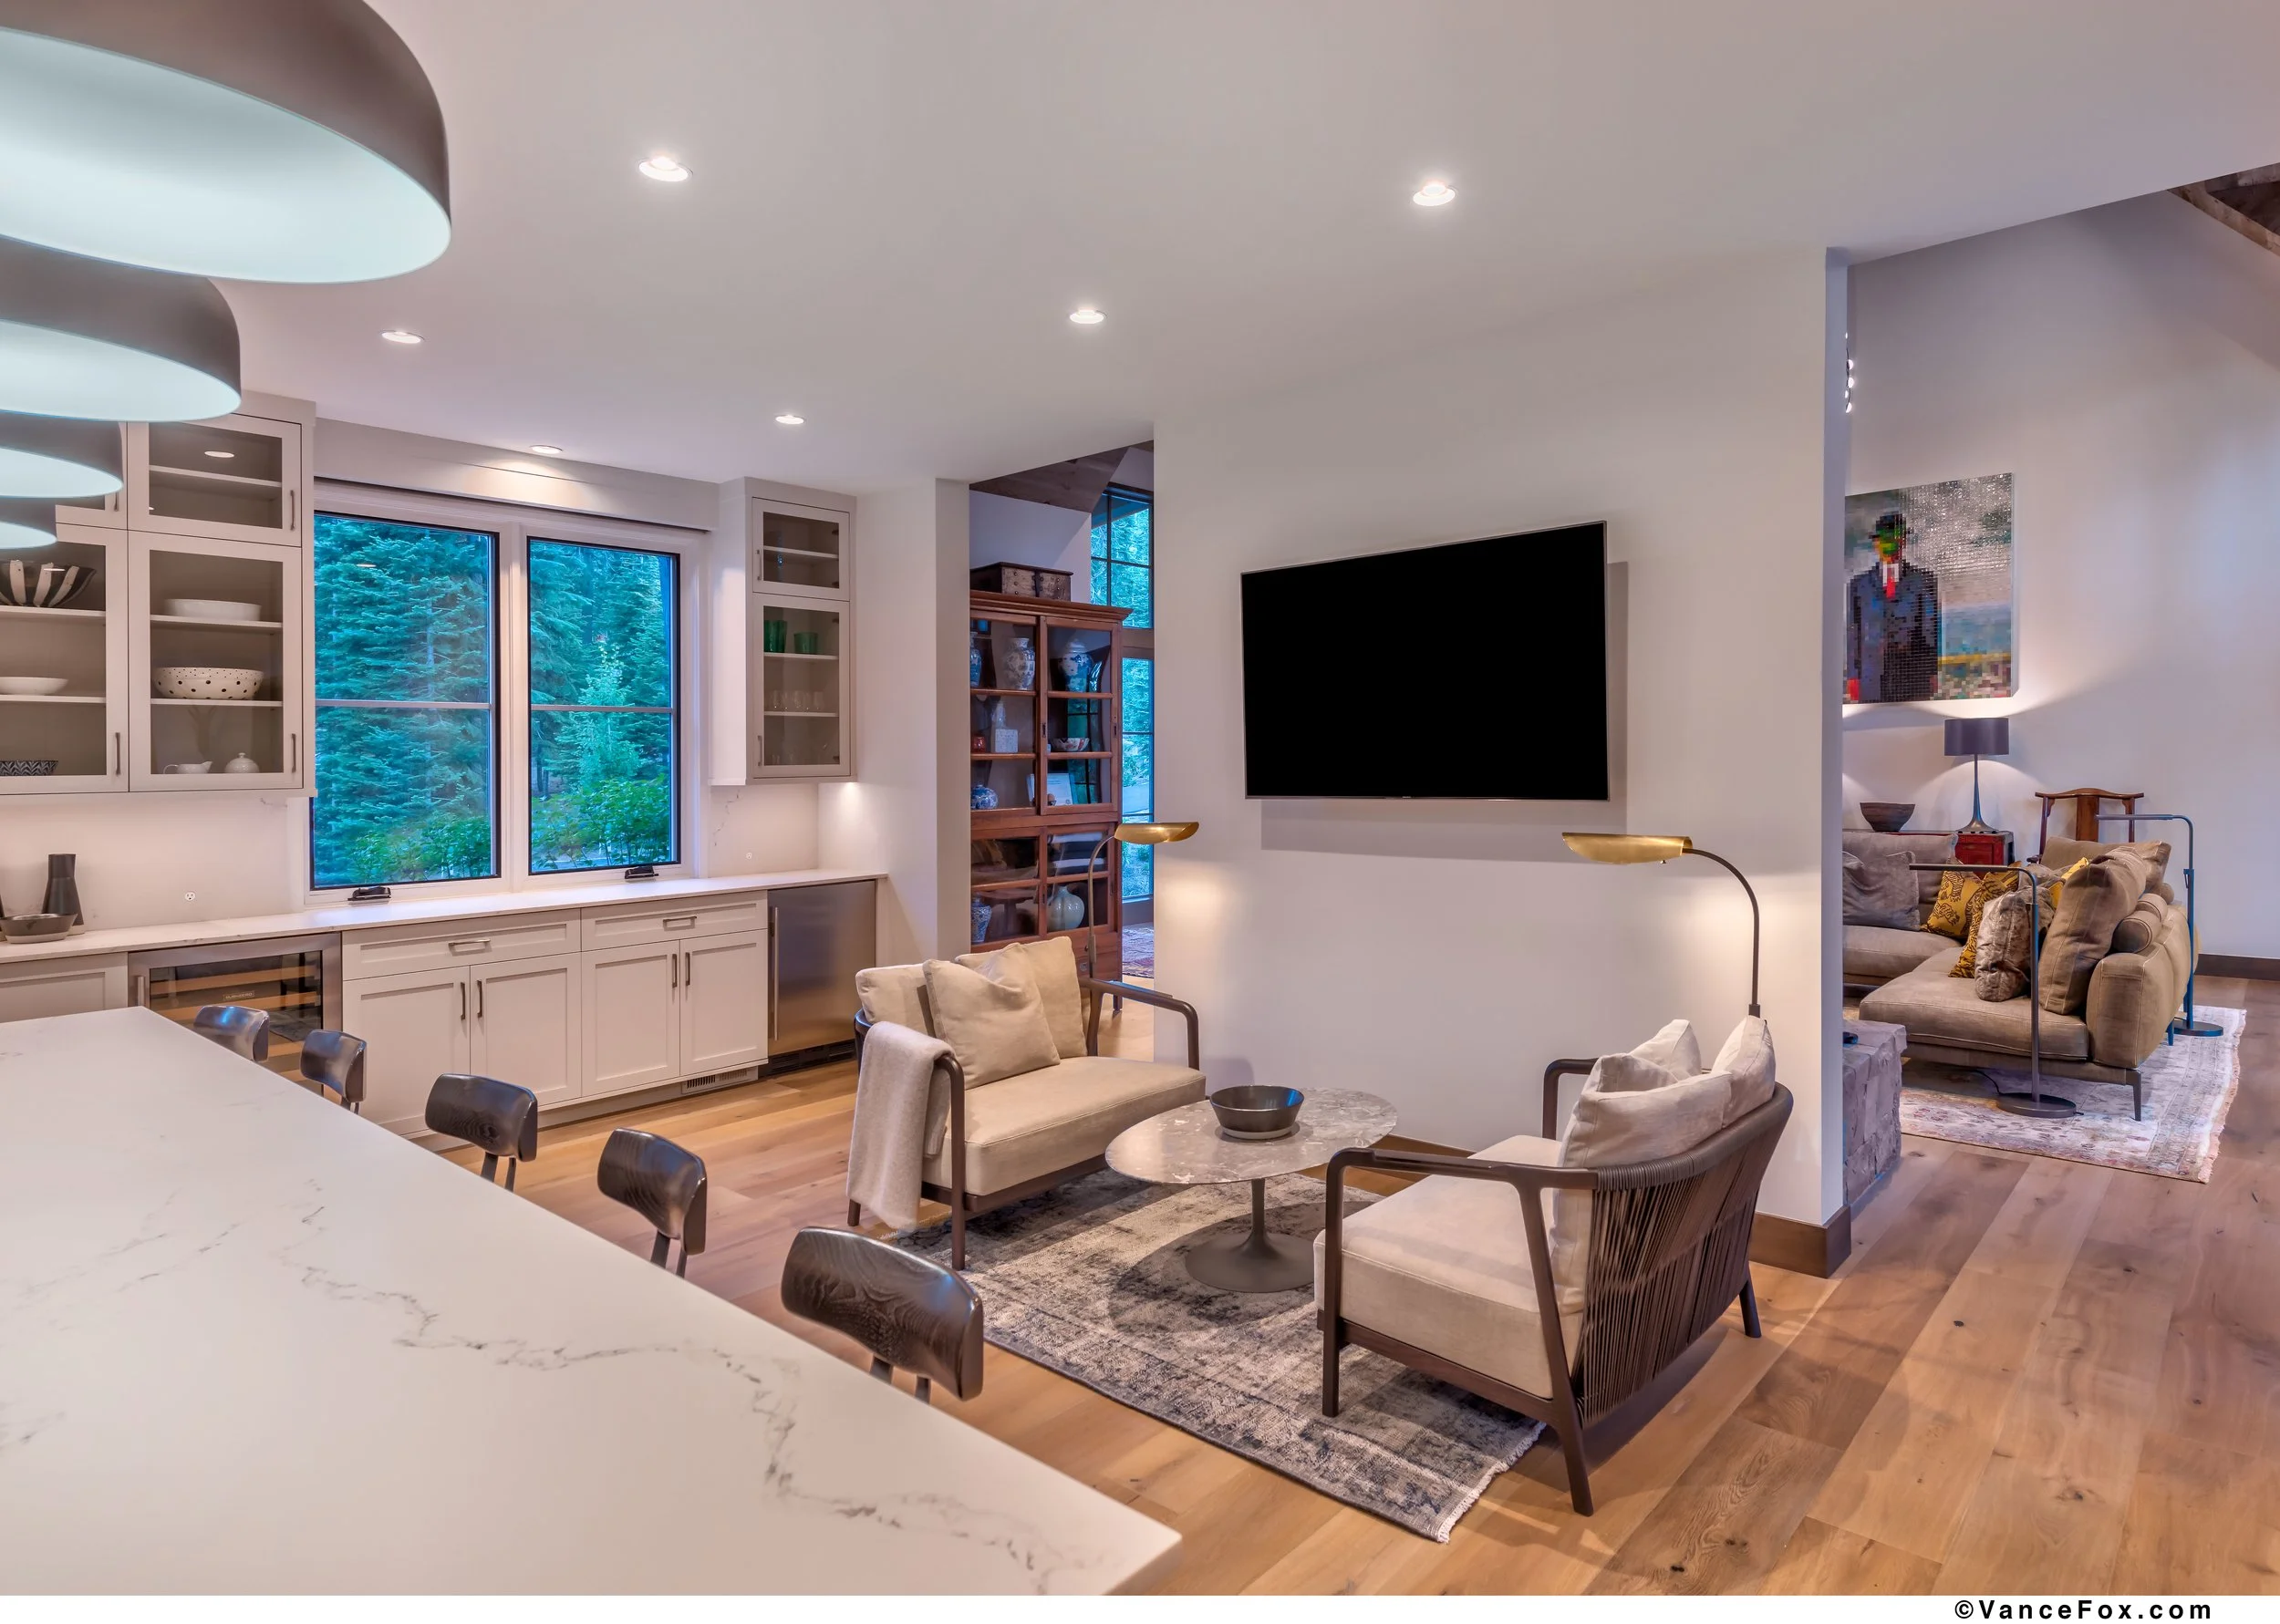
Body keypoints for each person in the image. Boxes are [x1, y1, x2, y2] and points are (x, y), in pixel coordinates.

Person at [1845, 509, 1941, 702]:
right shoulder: (1858, 584)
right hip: (1872, 676)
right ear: (1876, 543)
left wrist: (1931, 671)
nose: (1890, 545)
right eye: (1884, 539)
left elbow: (1930, 630)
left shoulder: (1924, 580)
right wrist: (1853, 675)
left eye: (1895, 539)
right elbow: (1853, 633)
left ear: (1903, 541)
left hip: (1912, 674)